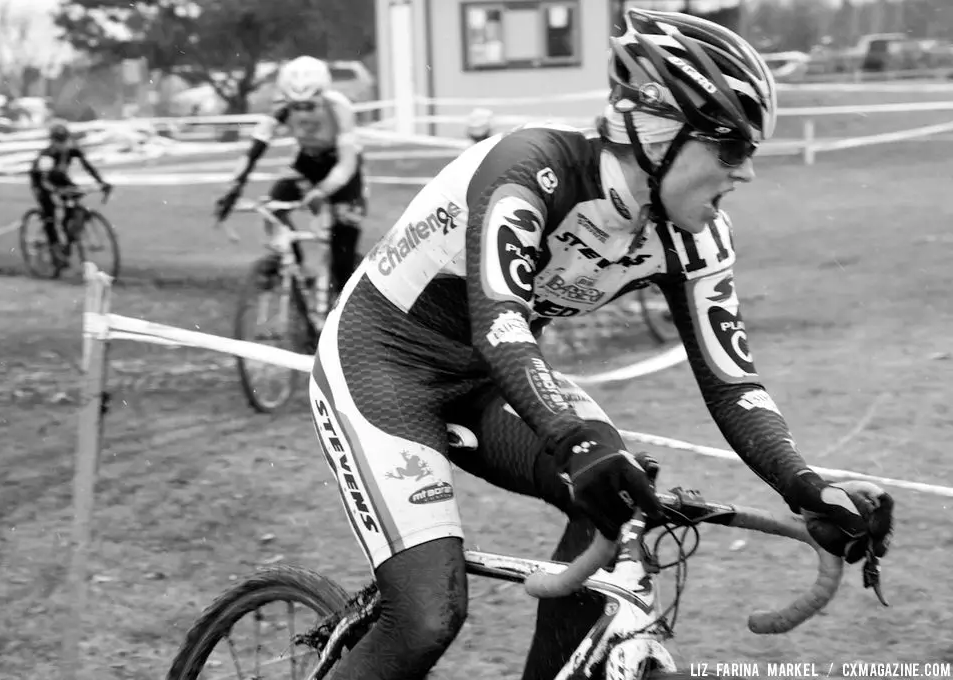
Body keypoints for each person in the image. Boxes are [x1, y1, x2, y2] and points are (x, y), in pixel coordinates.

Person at [308, 9, 895, 680]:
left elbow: (732, 382)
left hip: (492, 377)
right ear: (661, 132)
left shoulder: (695, 236)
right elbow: (499, 321)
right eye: (732, 148)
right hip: (384, 369)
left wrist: (804, 483)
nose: (747, 173)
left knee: (620, 502)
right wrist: (573, 437)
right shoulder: (530, 169)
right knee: (426, 617)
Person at [214, 55, 366, 301]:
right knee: (273, 207)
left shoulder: (339, 106)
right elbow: (254, 150)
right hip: (306, 163)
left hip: (342, 169)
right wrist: (234, 188)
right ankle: (293, 265)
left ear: (323, 95)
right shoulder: (281, 108)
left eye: (310, 105)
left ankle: (342, 303)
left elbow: (347, 162)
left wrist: (322, 191)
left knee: (343, 256)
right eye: (296, 106)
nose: (303, 114)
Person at [28, 122, 111, 267]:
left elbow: (87, 166)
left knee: (73, 207)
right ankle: (55, 250)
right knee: (50, 213)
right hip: (41, 182)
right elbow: (44, 179)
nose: (62, 144)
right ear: (52, 141)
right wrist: (54, 191)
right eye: (59, 141)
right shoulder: (47, 156)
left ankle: (68, 239)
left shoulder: (72, 150)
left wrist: (101, 182)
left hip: (60, 179)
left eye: (64, 140)